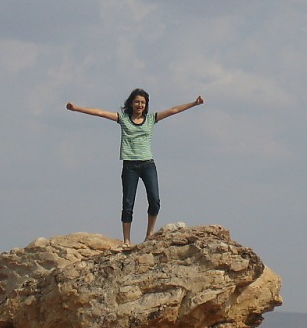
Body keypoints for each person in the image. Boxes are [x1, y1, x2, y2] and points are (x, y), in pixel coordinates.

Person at [66, 89, 204, 245]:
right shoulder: (123, 118)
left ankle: (149, 234)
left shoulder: (151, 119)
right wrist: (76, 108)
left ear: (146, 105)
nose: (140, 105)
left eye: (143, 103)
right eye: (137, 102)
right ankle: (127, 240)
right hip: (130, 165)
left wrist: (194, 103)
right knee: (128, 203)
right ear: (131, 103)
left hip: (148, 164)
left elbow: (173, 110)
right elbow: (100, 113)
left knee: (154, 200)